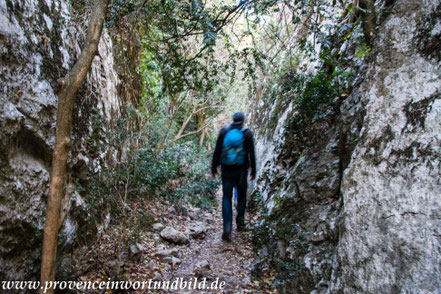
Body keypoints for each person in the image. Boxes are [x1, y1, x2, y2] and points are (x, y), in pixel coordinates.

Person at [211, 112, 256, 241]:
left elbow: (217, 150)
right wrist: (253, 171)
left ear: (232, 119)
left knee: (226, 197)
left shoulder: (224, 131)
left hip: (226, 171)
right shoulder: (247, 133)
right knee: (242, 197)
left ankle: (227, 227)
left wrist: (214, 168)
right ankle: (240, 223)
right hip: (241, 171)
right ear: (243, 120)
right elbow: (251, 153)